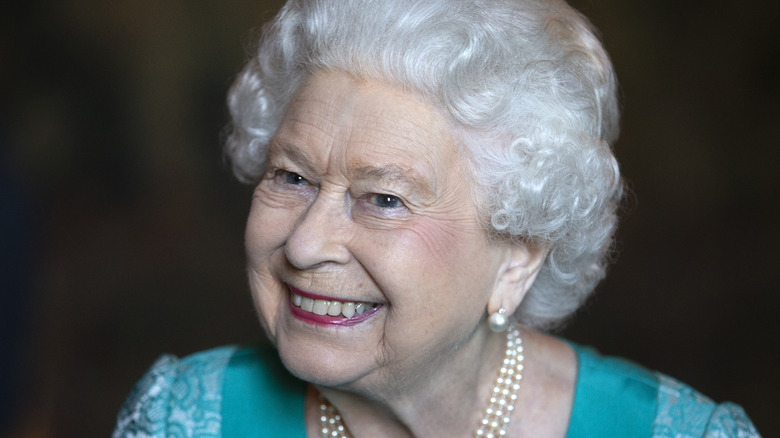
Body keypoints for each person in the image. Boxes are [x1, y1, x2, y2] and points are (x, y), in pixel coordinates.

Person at [113, 0, 759, 436]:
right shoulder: (182, 419)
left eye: (384, 199)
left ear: (517, 256)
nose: (306, 245)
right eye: (292, 177)